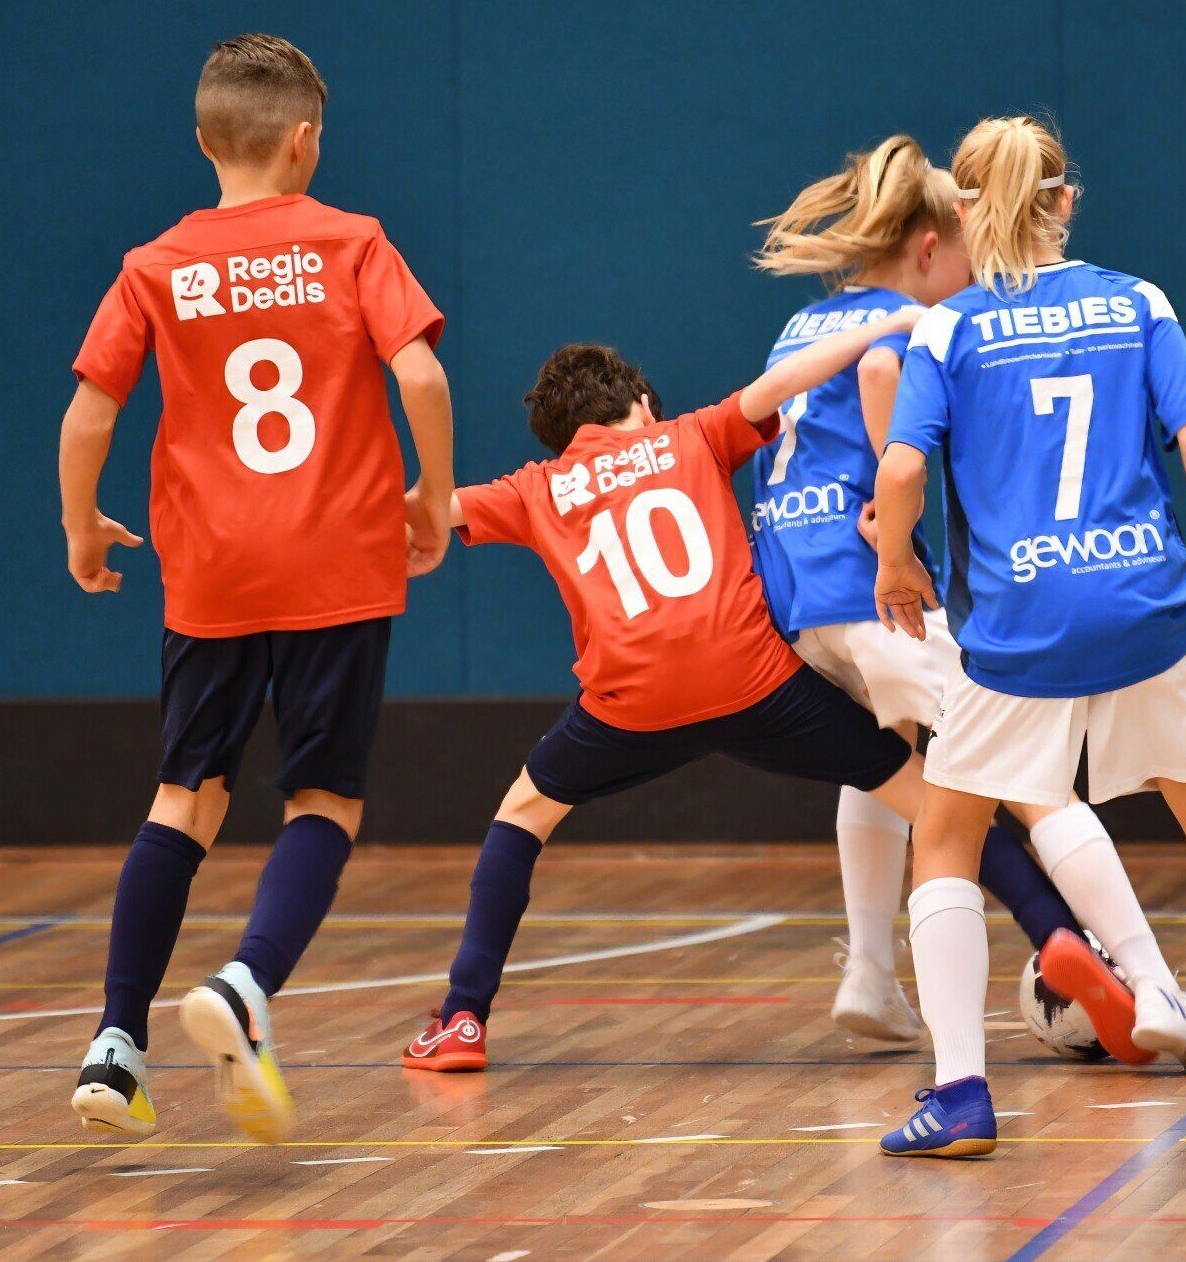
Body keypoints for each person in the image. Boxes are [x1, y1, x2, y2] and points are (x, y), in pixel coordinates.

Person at [872, 116, 1186, 1157]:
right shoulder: (1140, 301)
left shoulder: (945, 328)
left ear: (964, 213)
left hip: (1017, 632)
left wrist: (895, 562)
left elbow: (901, 469)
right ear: (1066, 201)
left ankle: (962, 1093)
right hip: (1145, 614)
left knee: (946, 839)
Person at [751, 134, 1186, 1068]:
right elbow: (881, 379)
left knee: (887, 760)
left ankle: (870, 972)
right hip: (869, 583)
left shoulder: (806, 323)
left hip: (797, 590)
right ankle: (1150, 978)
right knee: (1033, 780)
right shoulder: (910, 318)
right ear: (934, 245)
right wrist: (893, 522)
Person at [400, 313, 994, 1075]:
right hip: (754, 679)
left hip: (629, 702)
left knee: (523, 813)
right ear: (641, 403)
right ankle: (1065, 939)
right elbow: (786, 380)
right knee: (930, 799)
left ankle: (463, 1016)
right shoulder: (690, 434)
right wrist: (893, 320)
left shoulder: (540, 485)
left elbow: (432, 512)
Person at [60, 34, 453, 1142]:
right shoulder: (353, 241)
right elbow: (420, 371)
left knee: (186, 796)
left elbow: (89, 412)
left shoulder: (154, 264)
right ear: (305, 141)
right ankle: (244, 985)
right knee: (322, 798)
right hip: (338, 558)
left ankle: (116, 1043)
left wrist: (80, 523)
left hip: (212, 568)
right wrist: (430, 493)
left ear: (203, 141)